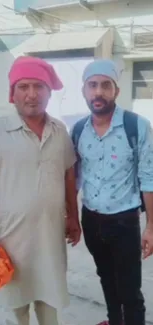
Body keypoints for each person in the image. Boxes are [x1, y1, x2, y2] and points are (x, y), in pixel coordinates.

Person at [0, 56, 81, 325]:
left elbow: (68, 174)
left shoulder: (59, 131)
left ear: (48, 92)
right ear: (13, 93)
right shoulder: (0, 130)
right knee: (16, 305)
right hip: (9, 239)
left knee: (49, 298)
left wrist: (73, 217)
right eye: (24, 87)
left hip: (49, 236)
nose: (32, 95)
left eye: (39, 86)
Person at [71, 59, 153, 325]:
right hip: (92, 220)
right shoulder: (78, 130)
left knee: (130, 290)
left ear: (116, 90)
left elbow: (148, 178)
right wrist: (71, 216)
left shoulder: (136, 126)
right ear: (83, 90)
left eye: (106, 85)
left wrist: (151, 226)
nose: (99, 92)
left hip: (124, 221)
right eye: (92, 85)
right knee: (106, 279)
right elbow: (75, 178)